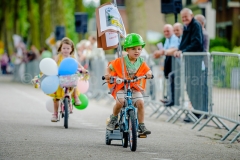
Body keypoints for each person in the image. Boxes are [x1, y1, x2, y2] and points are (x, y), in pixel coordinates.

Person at [105, 33, 153, 135]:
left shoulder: (141, 61)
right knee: (120, 102)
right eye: (133, 49)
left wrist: (149, 74)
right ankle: (113, 118)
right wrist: (107, 74)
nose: (137, 51)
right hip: (122, 86)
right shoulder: (121, 61)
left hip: (134, 87)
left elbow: (148, 70)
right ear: (127, 50)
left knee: (140, 103)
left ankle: (141, 125)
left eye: (139, 49)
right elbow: (110, 67)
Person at [174, 8, 204, 122]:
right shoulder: (186, 26)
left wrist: (183, 51)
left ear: (191, 15)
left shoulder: (195, 25)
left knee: (195, 86)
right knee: (190, 87)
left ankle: (198, 112)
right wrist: (179, 49)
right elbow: (184, 42)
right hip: (189, 61)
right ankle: (195, 111)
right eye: (183, 17)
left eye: (186, 16)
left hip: (195, 61)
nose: (184, 19)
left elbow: (196, 42)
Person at [48, 37, 88, 122]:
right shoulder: (58, 56)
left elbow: (78, 65)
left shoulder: (72, 58)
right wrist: (52, 70)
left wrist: (82, 69)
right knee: (56, 98)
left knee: (74, 82)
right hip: (60, 78)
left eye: (68, 48)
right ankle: (55, 114)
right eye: (64, 48)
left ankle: (76, 97)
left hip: (70, 78)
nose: (66, 50)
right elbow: (54, 64)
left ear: (71, 49)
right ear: (60, 48)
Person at [153, 24, 179, 106]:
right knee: (168, 78)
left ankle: (173, 100)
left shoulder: (174, 38)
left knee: (173, 79)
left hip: (175, 64)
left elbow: (170, 50)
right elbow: (165, 51)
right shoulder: (167, 39)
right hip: (169, 63)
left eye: (168, 31)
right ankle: (169, 98)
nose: (166, 33)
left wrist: (161, 52)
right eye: (164, 31)